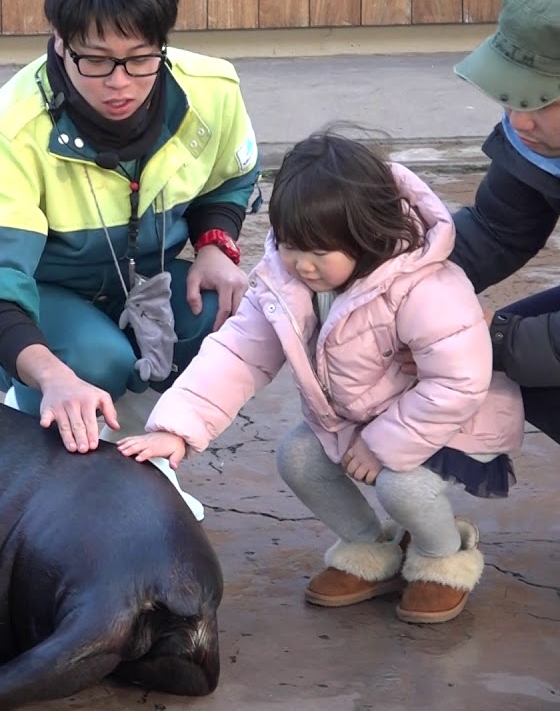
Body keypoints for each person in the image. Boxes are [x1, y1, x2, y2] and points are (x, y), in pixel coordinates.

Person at [116, 130, 525, 624]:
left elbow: (459, 382)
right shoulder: (286, 280)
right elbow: (240, 353)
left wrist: (382, 444)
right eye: (289, 245)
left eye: (318, 251)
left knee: (403, 487)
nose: (301, 265)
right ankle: (370, 550)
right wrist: (176, 429)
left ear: (367, 234)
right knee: (299, 456)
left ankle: (443, 556)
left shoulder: (425, 286)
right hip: (363, 416)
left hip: (451, 421)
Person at [0, 0, 261, 455]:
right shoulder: (8, 131)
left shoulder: (212, 91)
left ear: (162, 42)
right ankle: (31, 410)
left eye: (140, 58)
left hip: (138, 280)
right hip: (32, 300)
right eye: (95, 60)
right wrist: (52, 377)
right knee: (96, 358)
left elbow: (231, 177)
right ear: (59, 40)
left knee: (221, 311)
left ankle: (135, 449)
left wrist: (215, 244)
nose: (120, 83)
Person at [443, 0, 560, 444]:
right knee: (506, 366)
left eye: (539, 99)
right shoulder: (538, 139)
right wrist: (391, 274)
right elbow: (496, 229)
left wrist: (497, 340)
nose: (519, 120)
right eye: (511, 95)